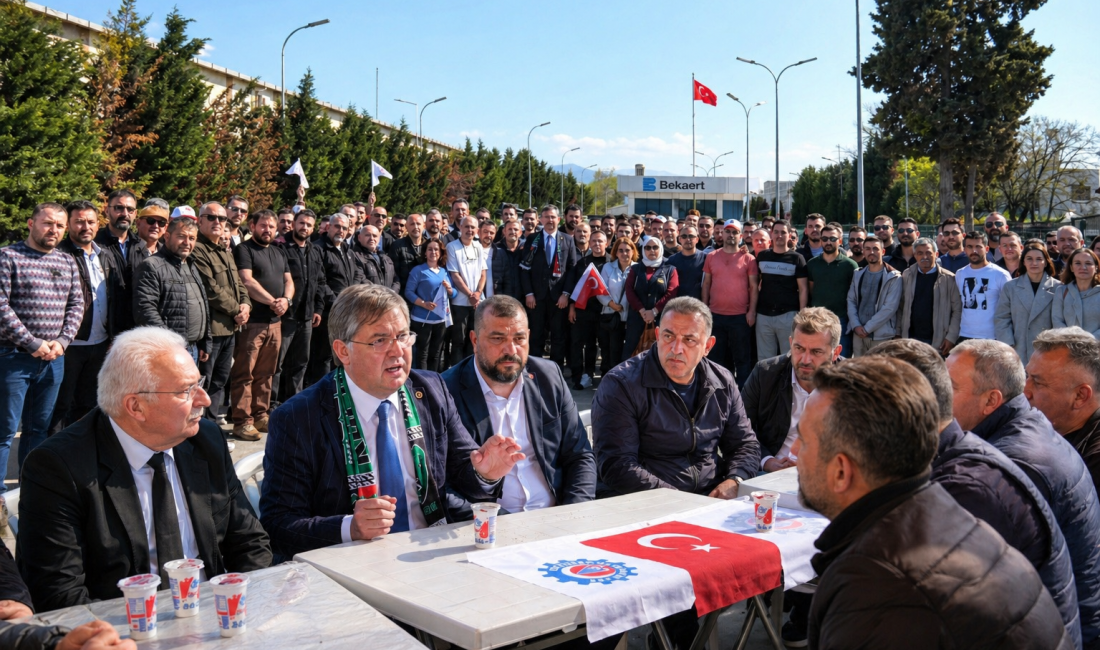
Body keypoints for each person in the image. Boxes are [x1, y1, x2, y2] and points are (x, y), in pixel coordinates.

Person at [797, 356, 1072, 650]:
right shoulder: (944, 510)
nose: (795, 452)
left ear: (841, 471)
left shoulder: (878, 586)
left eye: (804, 441)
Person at [259, 284, 525, 561]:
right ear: (343, 351)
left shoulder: (431, 389)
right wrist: (349, 527)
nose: (397, 351)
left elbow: (465, 477)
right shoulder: (299, 417)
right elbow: (278, 524)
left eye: (402, 337)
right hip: (348, 569)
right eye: (380, 340)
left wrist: (485, 471)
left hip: (430, 552)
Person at [18, 327, 271, 611]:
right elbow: (58, 594)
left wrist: (244, 609)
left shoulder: (205, 440)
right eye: (187, 391)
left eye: (198, 383)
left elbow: (249, 542)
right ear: (136, 407)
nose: (205, 400)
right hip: (125, 629)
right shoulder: (59, 467)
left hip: (217, 616)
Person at [868, 339, 1082, 647]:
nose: (939, 398)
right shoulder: (999, 438)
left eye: (950, 387)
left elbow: (931, 606)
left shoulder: (982, 479)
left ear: (991, 400)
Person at [947, 339, 1100, 647]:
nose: (1025, 389)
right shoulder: (1034, 428)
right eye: (1026, 375)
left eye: (949, 387)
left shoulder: (1012, 464)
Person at [442, 296, 595, 518]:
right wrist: (496, 521)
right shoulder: (446, 390)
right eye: (497, 338)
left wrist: (573, 513)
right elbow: (439, 485)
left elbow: (580, 455)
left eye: (519, 338)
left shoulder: (548, 376)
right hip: (487, 527)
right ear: (474, 340)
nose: (510, 349)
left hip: (557, 517)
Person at [593, 296, 760, 496]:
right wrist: (680, 500)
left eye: (689, 340)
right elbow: (617, 465)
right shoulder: (622, 384)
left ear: (708, 346)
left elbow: (744, 445)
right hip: (644, 502)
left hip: (710, 497)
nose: (676, 349)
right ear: (657, 334)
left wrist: (735, 480)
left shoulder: (722, 382)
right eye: (668, 336)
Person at [0, 203, 82, 489]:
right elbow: (1, 306)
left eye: (60, 225)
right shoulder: (7, 257)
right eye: (48, 223)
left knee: (39, 429)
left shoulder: (66, 261)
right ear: (30, 223)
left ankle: (29, 489)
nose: (54, 230)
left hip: (52, 361)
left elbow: (76, 304)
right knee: (5, 432)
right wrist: (32, 343)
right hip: (13, 358)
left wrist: (62, 342)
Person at [50, 201, 124, 435]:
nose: (85, 226)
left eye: (90, 221)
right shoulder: (58, 255)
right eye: (79, 221)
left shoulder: (106, 255)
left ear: (98, 223)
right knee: (59, 407)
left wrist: (114, 335)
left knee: (89, 405)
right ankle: (53, 459)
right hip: (69, 346)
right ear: (69, 224)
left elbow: (114, 298)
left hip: (100, 343)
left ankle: (79, 454)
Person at [743, 307, 842, 473]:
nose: (805, 359)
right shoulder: (765, 374)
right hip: (769, 473)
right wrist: (767, 461)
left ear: (835, 352)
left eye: (816, 351)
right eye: (799, 348)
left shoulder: (852, 385)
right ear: (790, 343)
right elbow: (740, 431)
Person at [230, 210, 292, 441]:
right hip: (253, 324)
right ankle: (242, 421)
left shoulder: (278, 251)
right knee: (244, 373)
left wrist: (286, 300)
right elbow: (247, 280)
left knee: (267, 373)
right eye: (263, 225)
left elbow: (288, 280)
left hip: (275, 323)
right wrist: (273, 301)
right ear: (253, 226)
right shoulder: (244, 250)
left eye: (271, 226)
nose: (268, 230)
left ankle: (260, 415)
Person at [190, 202, 250, 424]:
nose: (218, 222)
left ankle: (212, 427)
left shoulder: (223, 250)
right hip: (211, 330)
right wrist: (237, 309)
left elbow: (238, 284)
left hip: (230, 328)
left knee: (220, 381)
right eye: (212, 217)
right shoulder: (197, 249)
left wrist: (246, 305)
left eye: (222, 219)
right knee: (203, 384)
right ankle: (199, 429)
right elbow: (210, 289)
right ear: (200, 220)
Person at [1027, 328, 1100, 491]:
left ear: (1080, 396)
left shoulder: (1095, 458)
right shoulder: (1043, 429)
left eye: (1038, 383)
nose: (1025, 391)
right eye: (1027, 377)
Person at [133, 216, 211, 367]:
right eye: (181, 236)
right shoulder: (151, 266)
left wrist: (205, 341)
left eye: (192, 238)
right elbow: (145, 311)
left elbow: (202, 303)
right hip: (167, 352)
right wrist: (171, 345)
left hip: (193, 349)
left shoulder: (190, 264)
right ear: (167, 236)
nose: (187, 243)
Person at [275, 209, 328, 404]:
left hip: (306, 316)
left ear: (313, 228)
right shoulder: (280, 247)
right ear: (294, 223)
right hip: (285, 315)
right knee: (277, 364)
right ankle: (273, 404)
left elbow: (320, 282)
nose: (304, 227)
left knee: (300, 363)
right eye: (301, 223)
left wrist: (318, 309)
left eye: (308, 225)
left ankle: (293, 402)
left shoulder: (315, 250)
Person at [308, 213, 365, 385]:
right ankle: (322, 392)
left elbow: (355, 273)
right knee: (324, 355)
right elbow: (320, 280)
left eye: (345, 228)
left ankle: (338, 390)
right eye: (337, 226)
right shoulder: (318, 248)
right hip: (327, 311)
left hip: (347, 310)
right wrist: (339, 301)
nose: (341, 230)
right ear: (328, 227)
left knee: (341, 353)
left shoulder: (347, 249)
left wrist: (352, 295)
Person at [519, 205, 579, 367]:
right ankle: (535, 369)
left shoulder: (567, 240)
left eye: (553, 217)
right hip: (536, 298)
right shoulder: (533, 239)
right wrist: (529, 293)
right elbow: (524, 269)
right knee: (536, 335)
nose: (550, 220)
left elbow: (572, 270)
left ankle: (556, 370)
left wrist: (566, 294)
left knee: (558, 336)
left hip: (559, 298)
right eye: (546, 217)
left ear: (558, 219)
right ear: (541, 220)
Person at [701, 220, 758, 386]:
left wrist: (751, 311)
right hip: (715, 316)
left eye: (735, 232)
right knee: (716, 359)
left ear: (740, 236)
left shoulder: (749, 259)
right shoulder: (711, 257)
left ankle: (742, 397)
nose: (731, 235)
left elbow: (754, 287)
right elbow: (706, 284)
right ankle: (718, 392)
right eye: (728, 232)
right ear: (722, 234)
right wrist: (705, 311)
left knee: (742, 360)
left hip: (740, 317)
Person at [994, 241, 1060, 364]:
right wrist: (1009, 344)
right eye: (1029, 259)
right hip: (1018, 349)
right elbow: (1002, 318)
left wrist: (1054, 346)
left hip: (1047, 350)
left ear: (1045, 262)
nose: (1034, 263)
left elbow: (1061, 321)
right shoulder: (1011, 287)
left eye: (1039, 259)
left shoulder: (1059, 288)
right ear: (1023, 262)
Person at [898, 237, 962, 356]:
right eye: (920, 253)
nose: (925, 257)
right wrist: (898, 332)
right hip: (911, 339)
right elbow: (900, 306)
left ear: (936, 254)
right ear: (914, 255)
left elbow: (957, 310)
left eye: (928, 253)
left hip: (938, 341)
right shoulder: (907, 275)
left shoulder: (949, 278)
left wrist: (951, 337)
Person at [755, 220, 808, 360]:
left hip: (788, 315)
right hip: (763, 316)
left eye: (783, 232)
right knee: (765, 361)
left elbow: (803, 289)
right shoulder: (762, 256)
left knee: (789, 358)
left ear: (789, 235)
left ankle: (788, 383)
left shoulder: (797, 258)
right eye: (776, 232)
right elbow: (755, 284)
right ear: (771, 234)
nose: (779, 235)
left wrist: (801, 316)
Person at [622, 237, 679, 361]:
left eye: (655, 247)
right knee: (631, 352)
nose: (651, 250)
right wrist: (642, 310)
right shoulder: (635, 269)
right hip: (637, 318)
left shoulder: (670, 269)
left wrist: (654, 311)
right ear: (643, 250)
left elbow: (671, 293)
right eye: (648, 247)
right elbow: (629, 290)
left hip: (661, 319)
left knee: (660, 353)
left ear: (661, 248)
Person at [807, 224, 859, 357]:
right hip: (817, 320)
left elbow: (854, 294)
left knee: (841, 359)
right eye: (824, 239)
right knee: (818, 358)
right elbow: (811, 290)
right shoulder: (812, 264)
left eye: (833, 239)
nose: (828, 242)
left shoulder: (850, 265)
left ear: (840, 241)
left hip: (841, 320)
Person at [844, 236, 902, 357]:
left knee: (879, 373)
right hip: (858, 334)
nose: (871, 252)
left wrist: (867, 329)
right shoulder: (858, 274)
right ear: (863, 251)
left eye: (875, 249)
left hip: (881, 336)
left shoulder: (894, 276)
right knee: (858, 372)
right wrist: (856, 325)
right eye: (868, 249)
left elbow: (889, 308)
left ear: (883, 251)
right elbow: (851, 300)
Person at [405, 240, 456, 372]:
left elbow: (453, 294)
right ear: (425, 252)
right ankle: (422, 381)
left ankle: (433, 381)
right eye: (430, 249)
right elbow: (408, 292)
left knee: (436, 354)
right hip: (422, 319)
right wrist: (423, 304)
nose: (433, 252)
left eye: (436, 249)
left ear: (440, 253)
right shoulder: (418, 270)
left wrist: (450, 289)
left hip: (440, 319)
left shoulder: (444, 272)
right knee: (422, 354)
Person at [569, 230, 611, 389]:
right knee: (583, 345)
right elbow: (575, 287)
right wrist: (572, 307)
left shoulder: (612, 262)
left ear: (606, 243)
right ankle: (584, 375)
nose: (597, 244)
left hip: (606, 311)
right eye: (594, 241)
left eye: (600, 241)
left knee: (605, 346)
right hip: (584, 311)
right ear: (589, 242)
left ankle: (606, 376)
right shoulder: (582, 263)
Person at [955, 231, 1012, 343]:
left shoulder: (1000, 274)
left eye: (978, 247)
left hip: (992, 337)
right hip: (964, 335)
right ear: (964, 249)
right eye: (970, 247)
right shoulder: (960, 274)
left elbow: (1009, 308)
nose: (974, 251)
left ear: (986, 248)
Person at [446, 216, 488, 366]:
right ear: (461, 228)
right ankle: (457, 370)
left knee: (474, 339)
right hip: (460, 303)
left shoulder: (478, 246)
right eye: (467, 227)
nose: (469, 230)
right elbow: (454, 275)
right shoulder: (452, 247)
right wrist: (470, 294)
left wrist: (477, 293)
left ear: (477, 230)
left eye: (472, 227)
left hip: (477, 302)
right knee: (458, 340)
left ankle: (471, 369)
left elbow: (483, 273)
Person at [598, 237, 635, 376]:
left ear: (633, 251)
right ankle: (611, 379)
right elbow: (600, 291)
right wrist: (611, 304)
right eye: (621, 250)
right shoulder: (608, 267)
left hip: (631, 316)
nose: (624, 253)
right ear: (616, 252)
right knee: (612, 350)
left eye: (627, 250)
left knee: (628, 351)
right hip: (612, 314)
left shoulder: (638, 268)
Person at [1053, 248, 1100, 337]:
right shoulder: (1061, 291)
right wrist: (1072, 342)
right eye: (1078, 263)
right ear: (1071, 267)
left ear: (1096, 267)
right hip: (1068, 347)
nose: (1083, 267)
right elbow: (1057, 321)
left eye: (1088, 263)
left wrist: (1089, 341)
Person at [352, 225, 399, 291]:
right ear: (359, 238)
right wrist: (379, 293)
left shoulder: (386, 258)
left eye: (375, 236)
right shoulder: (354, 256)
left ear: (379, 239)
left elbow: (396, 279)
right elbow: (361, 279)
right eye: (367, 235)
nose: (371, 238)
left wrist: (392, 293)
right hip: (369, 298)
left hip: (388, 299)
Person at [390, 213, 429, 292]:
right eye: (412, 224)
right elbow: (394, 274)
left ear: (424, 226)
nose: (416, 227)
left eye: (418, 224)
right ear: (406, 227)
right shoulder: (397, 245)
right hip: (404, 292)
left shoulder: (429, 245)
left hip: (426, 293)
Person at [667, 226, 706, 300]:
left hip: (698, 305)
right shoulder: (671, 260)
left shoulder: (705, 258)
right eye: (684, 236)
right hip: (677, 305)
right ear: (680, 239)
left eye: (691, 236)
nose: (688, 239)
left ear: (697, 239)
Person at [489, 219, 523, 300]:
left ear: (520, 233)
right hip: (503, 298)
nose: (513, 232)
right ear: (504, 231)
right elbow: (495, 278)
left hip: (523, 298)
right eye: (510, 229)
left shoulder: (526, 249)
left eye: (516, 229)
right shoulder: (495, 249)